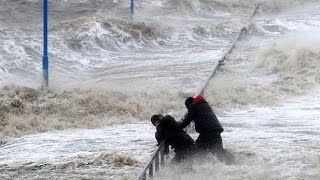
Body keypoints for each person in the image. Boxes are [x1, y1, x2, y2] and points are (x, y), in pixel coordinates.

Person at [178, 96, 234, 164]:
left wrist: (177, 127)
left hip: (206, 133)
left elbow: (187, 120)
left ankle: (188, 167)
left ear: (189, 105)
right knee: (220, 153)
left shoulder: (193, 106)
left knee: (196, 152)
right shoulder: (204, 105)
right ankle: (233, 163)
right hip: (216, 131)